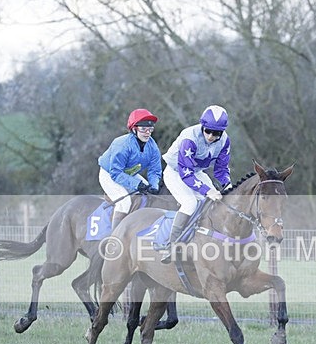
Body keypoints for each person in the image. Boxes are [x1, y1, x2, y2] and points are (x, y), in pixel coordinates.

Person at [159, 105, 232, 261]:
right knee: (190, 203)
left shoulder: (225, 141)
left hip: (197, 172)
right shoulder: (189, 138)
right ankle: (172, 245)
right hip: (176, 172)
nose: (212, 136)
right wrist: (208, 190)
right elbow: (186, 173)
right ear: (202, 126)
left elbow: (221, 170)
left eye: (217, 133)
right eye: (208, 131)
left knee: (217, 203)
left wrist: (229, 186)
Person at [97, 108, 162, 230]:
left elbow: (155, 171)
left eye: (150, 129)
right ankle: (115, 238)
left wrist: (154, 185)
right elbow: (116, 173)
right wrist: (137, 184)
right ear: (134, 129)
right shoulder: (122, 144)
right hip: (109, 174)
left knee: (148, 196)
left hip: (129, 173)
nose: (147, 132)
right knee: (124, 202)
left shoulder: (153, 147)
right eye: (143, 129)